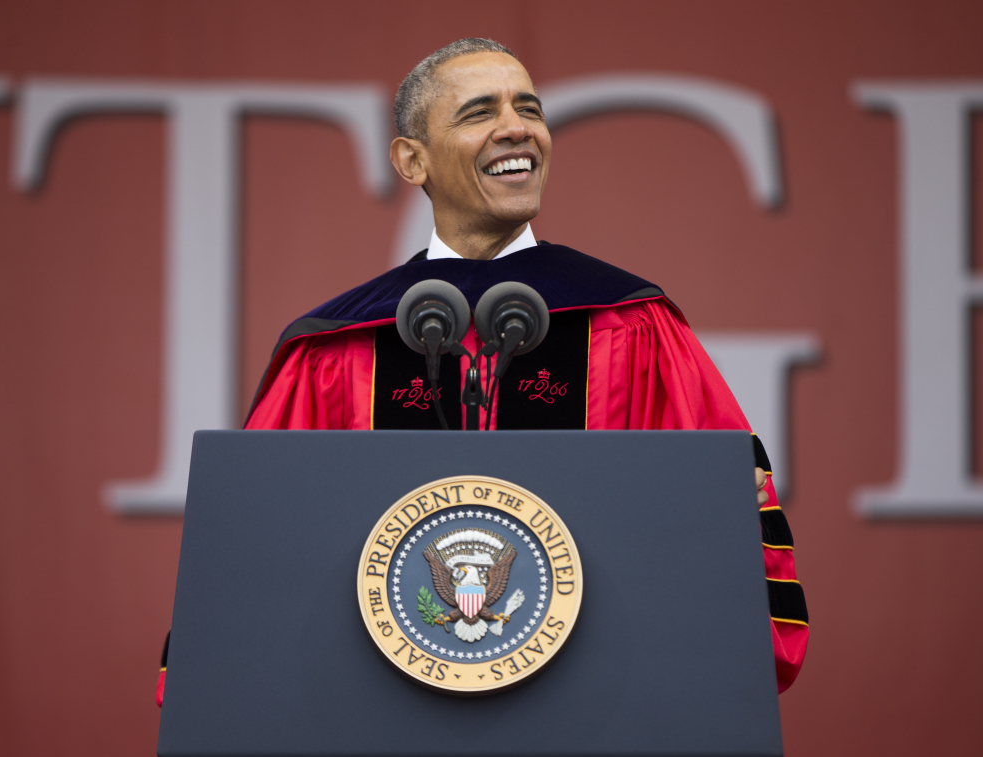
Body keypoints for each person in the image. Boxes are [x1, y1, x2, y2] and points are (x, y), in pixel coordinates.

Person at [156, 38, 807, 705]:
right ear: (413, 160)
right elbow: (258, 553)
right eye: (478, 112)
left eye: (529, 107)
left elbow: (719, 520)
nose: (516, 127)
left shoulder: (631, 323)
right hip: (379, 718)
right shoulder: (336, 346)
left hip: (596, 712)